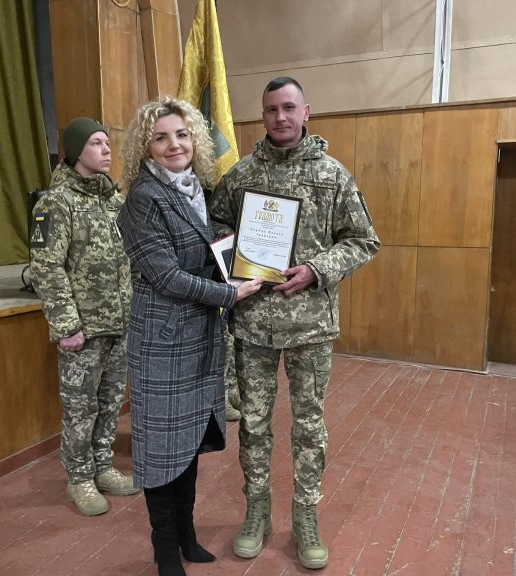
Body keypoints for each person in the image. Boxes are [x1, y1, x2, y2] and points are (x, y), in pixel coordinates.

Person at [208, 77, 381, 570]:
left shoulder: (332, 175)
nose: (280, 117)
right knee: (254, 425)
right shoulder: (241, 175)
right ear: (262, 116)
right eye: (271, 110)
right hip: (254, 324)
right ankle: (257, 512)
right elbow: (215, 227)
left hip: (310, 326)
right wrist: (238, 256)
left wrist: (317, 269)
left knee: (308, 425)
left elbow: (363, 240)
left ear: (306, 112)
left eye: (288, 108)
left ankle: (305, 516)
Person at [117, 96, 262, 576]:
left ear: (195, 139)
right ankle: (165, 550)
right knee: (162, 450)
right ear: (146, 147)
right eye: (160, 137)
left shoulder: (197, 189)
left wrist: (248, 261)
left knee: (188, 445)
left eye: (181, 134)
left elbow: (212, 252)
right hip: (162, 342)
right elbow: (165, 277)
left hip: (198, 336)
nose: (173, 144)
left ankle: (186, 535)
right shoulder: (143, 198)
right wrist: (230, 293)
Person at [29, 117, 139, 516]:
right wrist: (66, 325)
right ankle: (79, 478)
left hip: (120, 323)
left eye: (107, 143)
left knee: (110, 402)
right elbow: (46, 267)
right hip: (83, 330)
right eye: (96, 143)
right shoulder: (55, 203)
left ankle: (103, 466)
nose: (107, 150)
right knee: (80, 407)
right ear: (76, 152)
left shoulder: (113, 201)